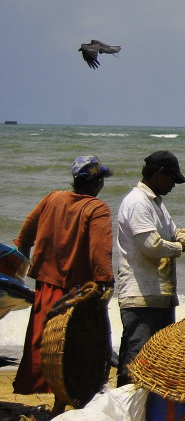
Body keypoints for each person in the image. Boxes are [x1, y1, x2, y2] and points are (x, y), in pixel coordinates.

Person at [13, 156, 114, 395]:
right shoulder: (96, 208)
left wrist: (22, 268)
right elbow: (100, 250)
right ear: (97, 183)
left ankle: (36, 385)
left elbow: (26, 232)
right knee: (70, 345)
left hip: (45, 284)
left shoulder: (52, 198)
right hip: (75, 292)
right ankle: (62, 392)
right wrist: (104, 284)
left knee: (40, 338)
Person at [115, 151, 185, 386]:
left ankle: (147, 414)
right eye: (172, 179)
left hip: (161, 294)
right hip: (141, 295)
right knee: (137, 359)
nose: (173, 185)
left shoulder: (157, 205)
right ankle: (126, 413)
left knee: (159, 360)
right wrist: (182, 247)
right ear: (160, 173)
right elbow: (150, 246)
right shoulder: (137, 202)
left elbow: (174, 231)